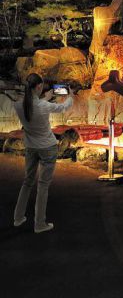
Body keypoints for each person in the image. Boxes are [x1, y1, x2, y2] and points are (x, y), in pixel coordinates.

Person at [12, 74, 73, 233]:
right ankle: (39, 224)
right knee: (43, 186)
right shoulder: (44, 106)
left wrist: (45, 98)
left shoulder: (19, 105)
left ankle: (18, 218)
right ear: (39, 86)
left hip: (31, 148)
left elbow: (34, 105)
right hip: (47, 148)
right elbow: (63, 107)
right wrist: (70, 96)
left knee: (27, 182)